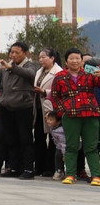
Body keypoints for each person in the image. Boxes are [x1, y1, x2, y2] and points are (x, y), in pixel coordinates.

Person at [50, 48, 100, 186]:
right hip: (70, 115)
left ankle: (96, 175)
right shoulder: (60, 76)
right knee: (71, 146)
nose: (75, 61)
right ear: (66, 61)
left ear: (82, 61)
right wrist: (62, 111)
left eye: (78, 58)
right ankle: (70, 174)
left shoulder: (91, 74)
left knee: (91, 147)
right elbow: (55, 96)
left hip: (90, 114)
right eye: (71, 58)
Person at [0, 42, 39, 180]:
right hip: (7, 107)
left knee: (25, 139)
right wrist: (1, 101)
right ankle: (14, 167)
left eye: (17, 52)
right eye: (12, 52)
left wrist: (12, 68)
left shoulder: (29, 65)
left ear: (25, 53)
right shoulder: (7, 67)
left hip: (23, 107)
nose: (13, 55)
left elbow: (30, 75)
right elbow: (2, 87)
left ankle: (28, 168)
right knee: (11, 140)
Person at [32, 48, 63, 178]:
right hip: (39, 109)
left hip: (52, 109)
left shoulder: (59, 72)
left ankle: (50, 167)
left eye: (43, 57)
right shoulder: (39, 71)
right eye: (39, 57)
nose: (41, 60)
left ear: (52, 58)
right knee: (39, 137)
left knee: (53, 139)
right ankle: (39, 166)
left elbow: (60, 90)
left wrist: (44, 92)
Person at [45, 111, 66, 181]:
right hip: (58, 147)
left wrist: (64, 153)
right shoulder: (53, 128)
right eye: (48, 119)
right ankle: (59, 171)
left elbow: (63, 142)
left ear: (58, 122)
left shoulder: (60, 131)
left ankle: (64, 172)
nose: (48, 121)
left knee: (60, 158)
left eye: (51, 120)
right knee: (57, 158)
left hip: (64, 148)